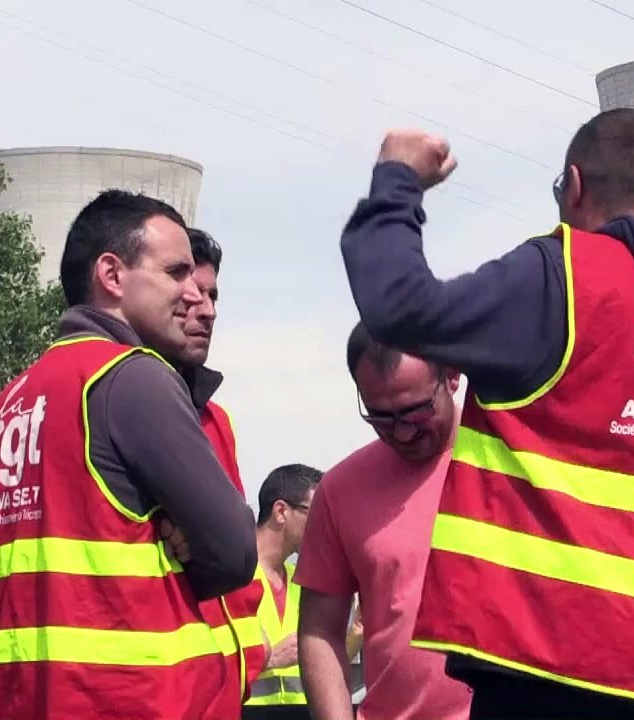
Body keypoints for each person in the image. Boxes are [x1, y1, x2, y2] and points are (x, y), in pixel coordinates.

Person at [339, 108, 634, 719]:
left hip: (546, 675)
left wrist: (396, 181)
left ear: (574, 187)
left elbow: (397, 307)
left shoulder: (560, 279)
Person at [0, 189, 257, 719]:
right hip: (130, 699)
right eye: (175, 273)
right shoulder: (132, 377)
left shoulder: (7, 404)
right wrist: (187, 550)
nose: (194, 293)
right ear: (111, 275)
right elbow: (237, 551)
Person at [296, 327, 472, 720]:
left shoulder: (510, 464)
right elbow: (320, 632)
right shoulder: (340, 490)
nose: (404, 432)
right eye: (381, 417)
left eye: (416, 411)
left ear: (452, 375)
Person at [173, 227, 270, 702]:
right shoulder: (117, 406)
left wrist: (250, 658)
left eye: (213, 295)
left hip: (228, 691)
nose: (207, 310)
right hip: (167, 689)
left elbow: (234, 545)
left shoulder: (216, 422)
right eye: (192, 296)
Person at [244, 463, 322, 715]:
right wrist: (269, 660)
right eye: (318, 514)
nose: (325, 526)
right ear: (281, 511)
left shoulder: (301, 583)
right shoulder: (229, 576)